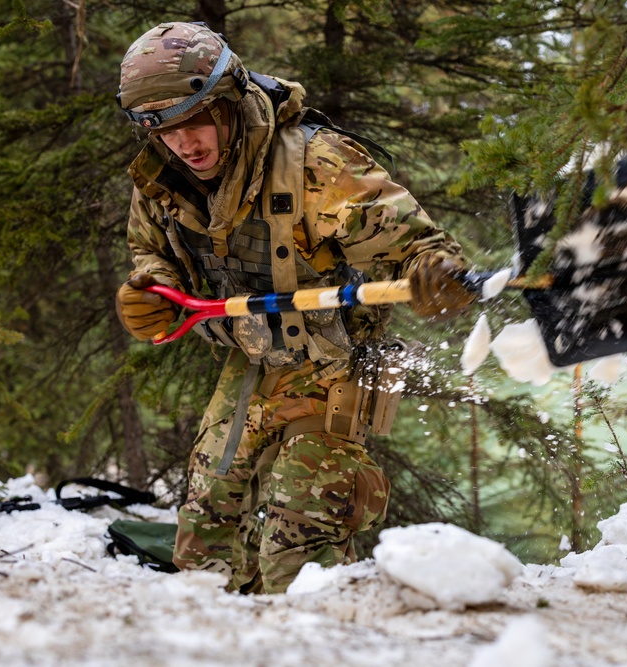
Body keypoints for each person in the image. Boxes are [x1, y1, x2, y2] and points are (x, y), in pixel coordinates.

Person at [114, 21, 474, 594]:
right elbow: (150, 253)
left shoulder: (314, 164)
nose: (185, 143)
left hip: (333, 362)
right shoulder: (160, 180)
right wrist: (149, 291)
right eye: (163, 128)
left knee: (299, 546)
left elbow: (415, 246)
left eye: (194, 119)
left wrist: (435, 274)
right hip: (249, 360)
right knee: (204, 540)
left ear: (228, 101)